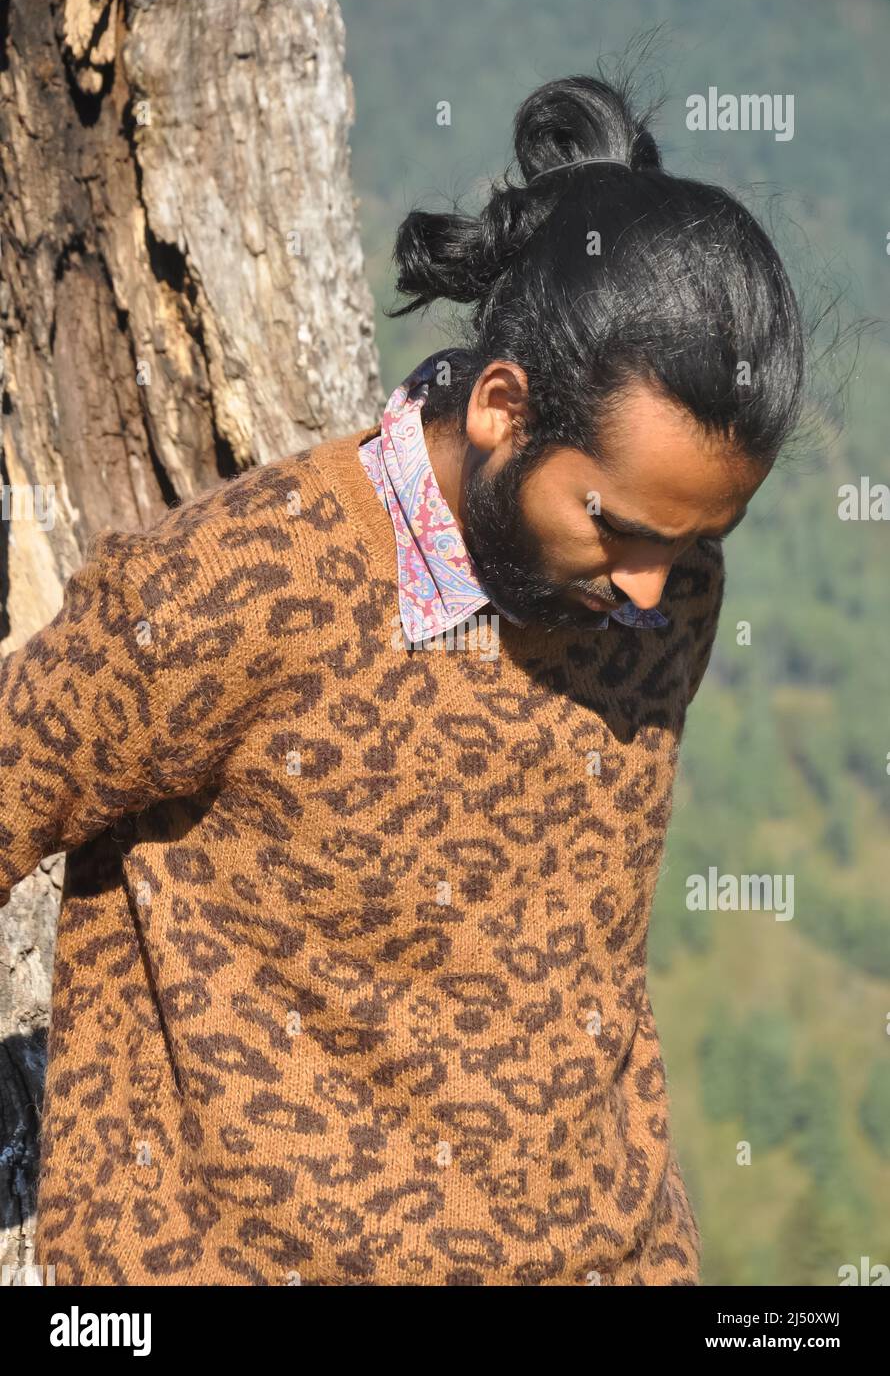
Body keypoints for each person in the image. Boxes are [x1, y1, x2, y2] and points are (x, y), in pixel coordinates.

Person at [0, 73, 803, 1285]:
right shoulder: (237, 589)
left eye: (695, 540)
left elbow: (584, 955)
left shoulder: (661, 595)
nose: (652, 589)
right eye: (622, 528)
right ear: (500, 409)